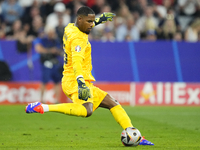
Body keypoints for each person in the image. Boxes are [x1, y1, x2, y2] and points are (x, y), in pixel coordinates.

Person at [25, 6, 154, 146]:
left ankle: (135, 135)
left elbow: (85, 26)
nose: (92, 25)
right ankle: (43, 107)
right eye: (89, 22)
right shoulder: (78, 39)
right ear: (80, 19)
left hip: (81, 79)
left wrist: (99, 20)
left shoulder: (70, 27)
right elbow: (77, 62)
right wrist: (80, 82)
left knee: (113, 103)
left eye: (93, 21)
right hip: (75, 80)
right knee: (87, 111)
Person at [33, 26, 63, 103]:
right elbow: (38, 49)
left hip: (55, 63)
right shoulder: (43, 40)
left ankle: (57, 100)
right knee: (44, 81)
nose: (52, 34)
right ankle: (42, 99)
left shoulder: (55, 41)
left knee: (57, 81)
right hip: (46, 62)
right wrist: (50, 51)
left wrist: (57, 51)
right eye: (50, 33)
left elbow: (59, 50)